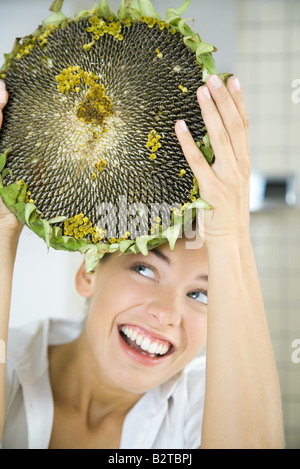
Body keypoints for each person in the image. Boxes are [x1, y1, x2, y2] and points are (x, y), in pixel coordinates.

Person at [0, 75, 285, 449]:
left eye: (201, 294)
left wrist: (231, 237)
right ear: (89, 270)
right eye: (145, 269)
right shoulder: (11, 370)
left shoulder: (203, 404)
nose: (167, 313)